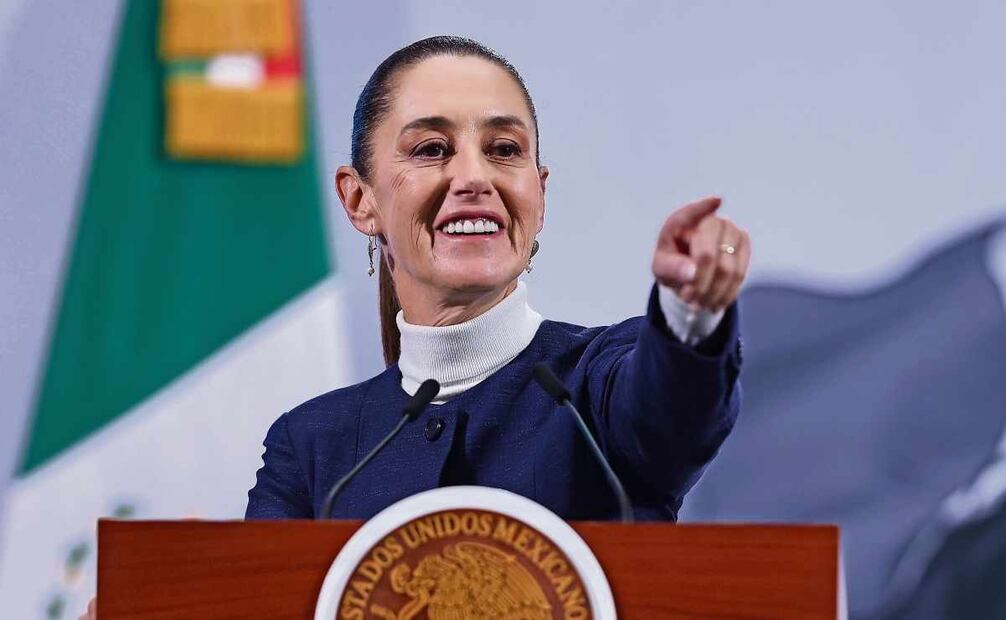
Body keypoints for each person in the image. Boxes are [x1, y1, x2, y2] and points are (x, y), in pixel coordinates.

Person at [243, 35, 750, 524]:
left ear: (540, 193)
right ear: (359, 200)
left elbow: (674, 413)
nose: (474, 177)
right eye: (431, 148)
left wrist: (690, 313)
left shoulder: (599, 385)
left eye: (504, 149)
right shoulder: (310, 448)